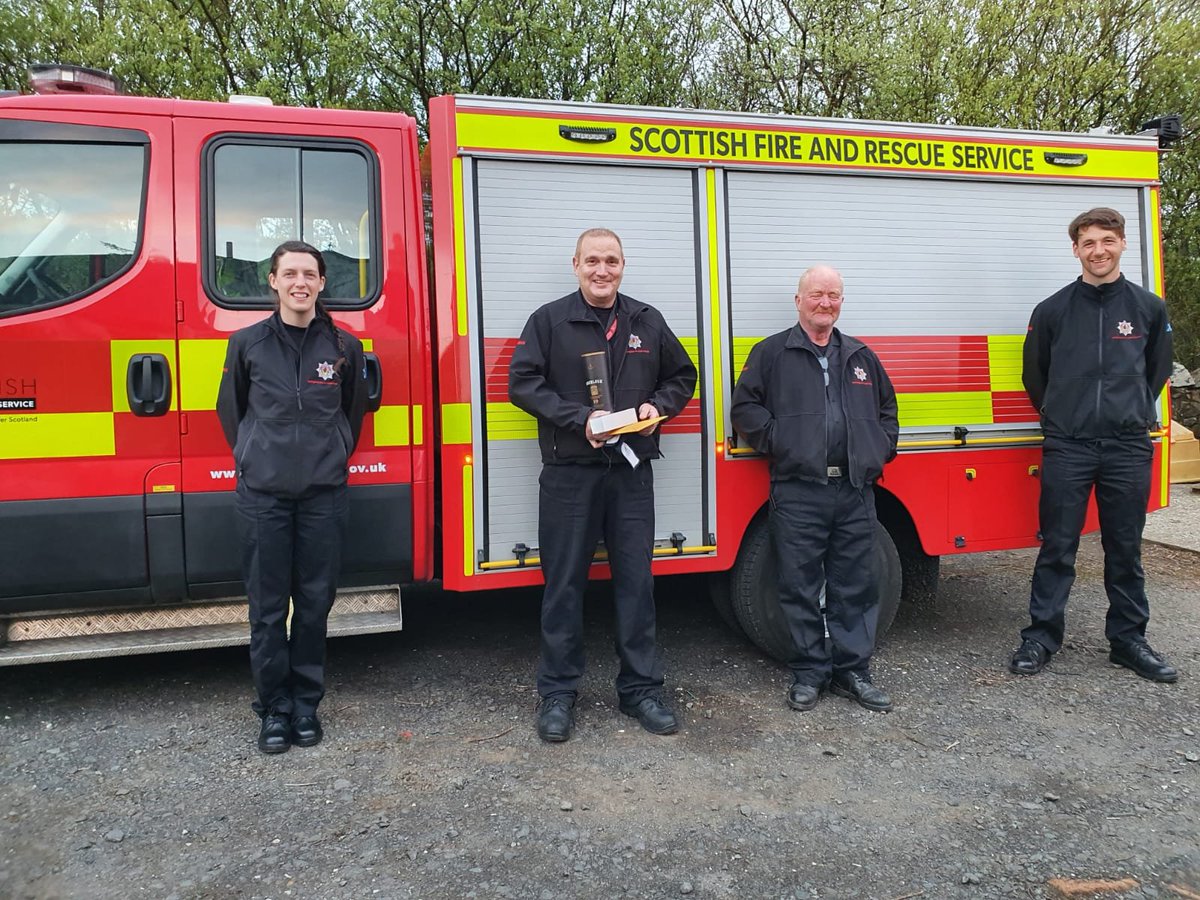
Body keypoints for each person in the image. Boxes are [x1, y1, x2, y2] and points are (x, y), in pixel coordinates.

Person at [508, 227, 698, 742]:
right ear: (575, 265)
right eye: (592, 260)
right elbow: (522, 384)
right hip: (570, 473)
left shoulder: (646, 320)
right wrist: (578, 420)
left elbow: (683, 376)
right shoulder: (549, 321)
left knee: (637, 584)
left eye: (611, 261)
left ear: (622, 265)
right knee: (563, 585)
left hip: (631, 472)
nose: (602, 270)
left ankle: (640, 690)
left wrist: (659, 407)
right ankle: (558, 694)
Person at [1009, 208, 1176, 682]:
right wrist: (1062, 417)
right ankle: (1040, 637)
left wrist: (1130, 409)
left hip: (1127, 446)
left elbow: (1157, 371)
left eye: (1107, 241)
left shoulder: (1148, 308)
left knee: (1125, 548)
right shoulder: (1053, 310)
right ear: (1076, 250)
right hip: (1070, 446)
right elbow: (1034, 375)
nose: (1098, 251)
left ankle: (1128, 641)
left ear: (1122, 244)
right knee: (1057, 546)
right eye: (1088, 243)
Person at [217, 240, 368, 753]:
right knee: (265, 609)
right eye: (290, 273)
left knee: (313, 605)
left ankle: (306, 706)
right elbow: (230, 411)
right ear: (273, 282)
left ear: (322, 283)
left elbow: (354, 413)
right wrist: (253, 457)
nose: (299, 282)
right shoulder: (247, 344)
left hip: (324, 497)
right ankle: (274, 711)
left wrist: (337, 451)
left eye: (309, 274)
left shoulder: (345, 347)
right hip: (263, 497)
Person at [730, 265, 898, 713]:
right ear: (799, 300)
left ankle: (853, 673)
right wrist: (786, 447)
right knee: (799, 583)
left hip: (855, 490)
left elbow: (887, 411)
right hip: (799, 489)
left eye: (834, 295)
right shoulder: (771, 354)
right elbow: (745, 409)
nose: (826, 303)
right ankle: (809, 672)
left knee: (856, 584)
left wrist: (878, 451)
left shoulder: (861, 355)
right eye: (817, 294)